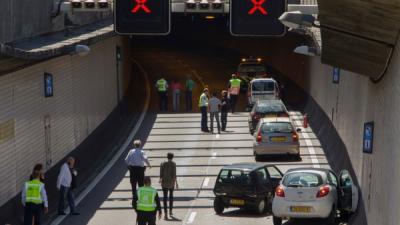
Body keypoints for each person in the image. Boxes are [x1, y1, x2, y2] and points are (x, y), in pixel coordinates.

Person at [159, 153, 178, 219]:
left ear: (167, 157)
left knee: (165, 197)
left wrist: (160, 179)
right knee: (171, 196)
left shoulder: (162, 163)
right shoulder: (173, 164)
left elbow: (161, 174)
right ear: (172, 157)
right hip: (171, 183)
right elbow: (174, 175)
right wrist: (176, 183)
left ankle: (165, 213)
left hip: (164, 182)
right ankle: (170, 211)